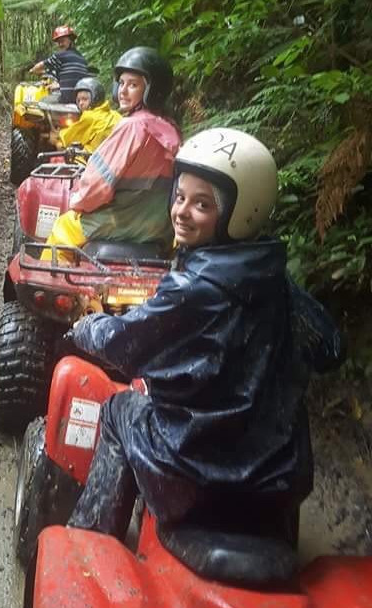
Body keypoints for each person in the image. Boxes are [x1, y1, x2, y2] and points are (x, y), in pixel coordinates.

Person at [66, 127, 344, 544]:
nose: (181, 211)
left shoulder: (191, 290)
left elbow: (122, 345)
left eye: (202, 204)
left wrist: (86, 327)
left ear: (239, 212)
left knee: (119, 410)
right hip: (277, 482)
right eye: (179, 197)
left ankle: (89, 539)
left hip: (192, 476)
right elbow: (330, 348)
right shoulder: (275, 278)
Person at [41, 47, 181, 261]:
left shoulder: (132, 127)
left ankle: (56, 292)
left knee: (62, 229)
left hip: (118, 224)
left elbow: (97, 185)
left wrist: (77, 202)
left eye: (133, 85)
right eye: (122, 83)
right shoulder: (171, 130)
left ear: (152, 90)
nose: (123, 91)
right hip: (159, 230)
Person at [55, 76, 122, 154]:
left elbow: (67, 138)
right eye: (78, 100)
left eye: (85, 99)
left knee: (59, 145)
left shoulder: (90, 117)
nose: (81, 103)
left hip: (92, 159)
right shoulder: (114, 114)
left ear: (96, 98)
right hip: (111, 156)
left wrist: (56, 136)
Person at [30, 25, 91, 103]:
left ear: (70, 40)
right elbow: (73, 79)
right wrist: (59, 85)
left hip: (66, 99)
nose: (60, 44)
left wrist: (32, 70)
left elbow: (39, 66)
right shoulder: (82, 59)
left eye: (62, 41)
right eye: (58, 42)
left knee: (41, 101)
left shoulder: (60, 56)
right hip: (79, 101)